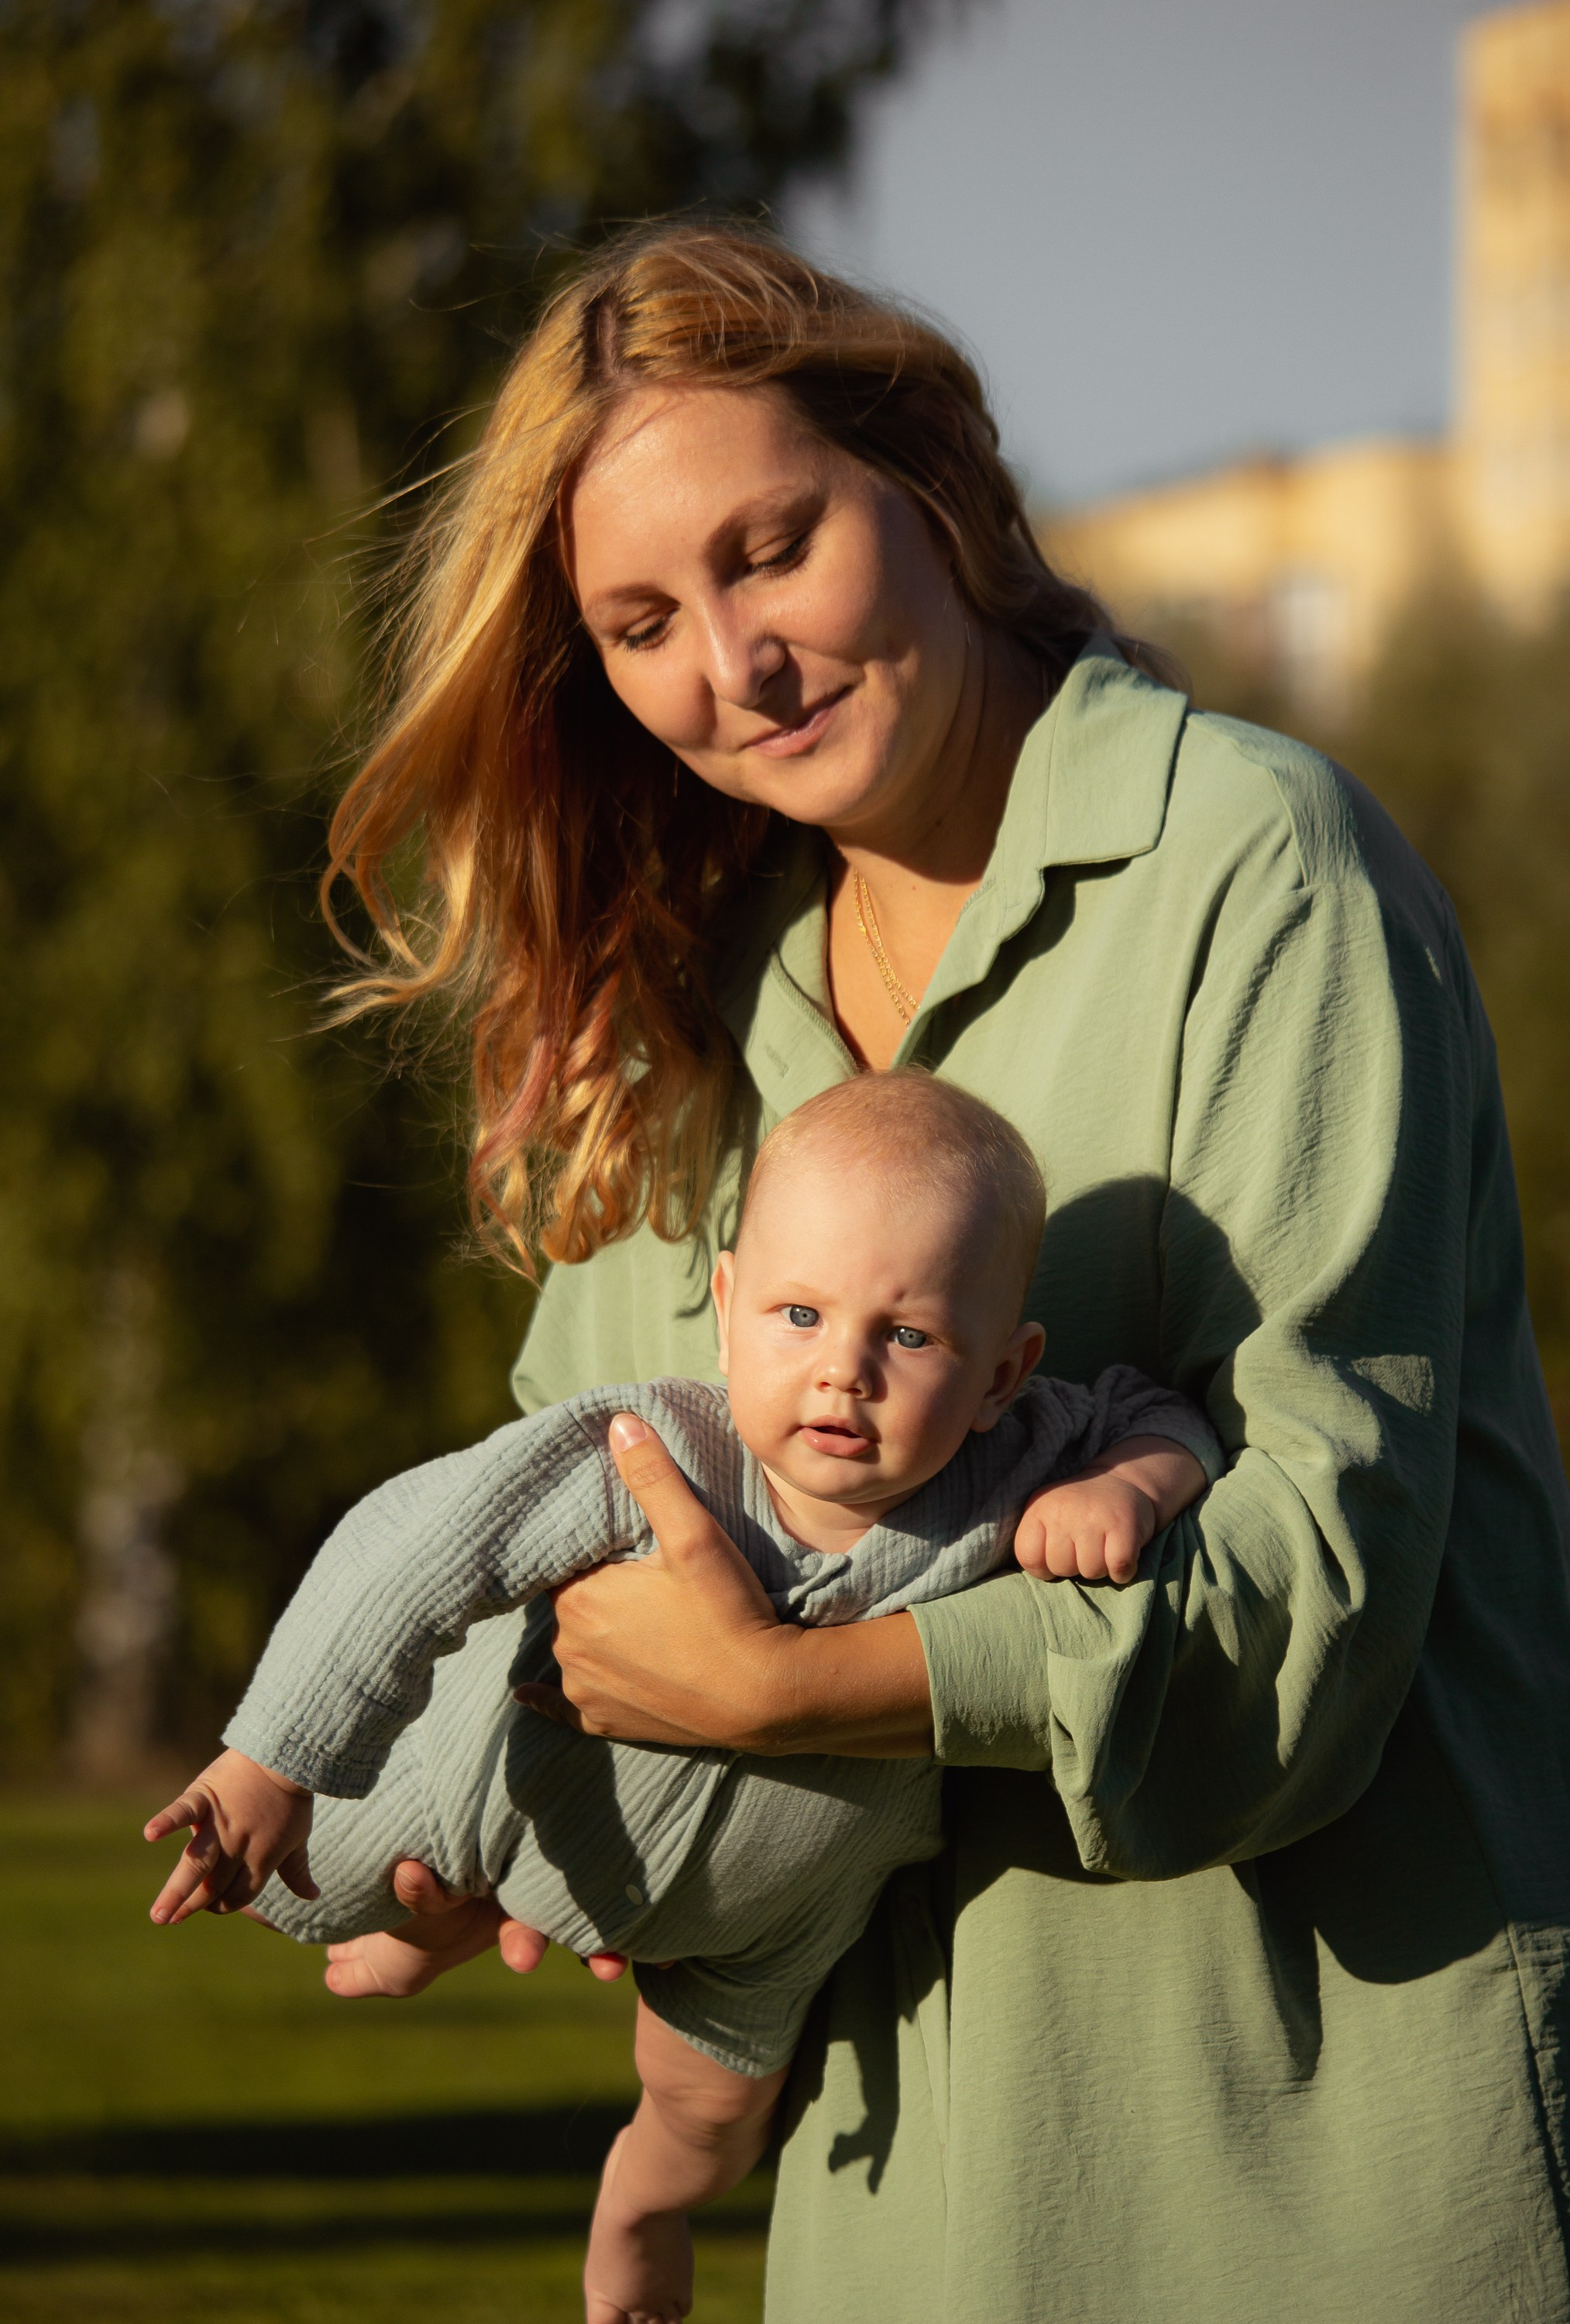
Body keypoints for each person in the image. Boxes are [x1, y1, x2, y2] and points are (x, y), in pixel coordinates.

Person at [301, 222, 1570, 2320]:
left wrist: (788, 1684)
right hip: (898, 2209)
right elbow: (581, 1496)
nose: (733, 662)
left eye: (769, 548)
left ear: (926, 481)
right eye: (637, 623)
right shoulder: (691, 1007)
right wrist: (484, 1792)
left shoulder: (1258, 871)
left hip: (1324, 2168)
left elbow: (1308, 1625)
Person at [143, 1074, 1220, 2324]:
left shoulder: (1016, 1460)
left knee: (708, 2120)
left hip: (766, 1924)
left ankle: (636, 2214)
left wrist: (1135, 1488)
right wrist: (272, 1758)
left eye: (909, 1336)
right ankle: (416, 1909)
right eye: (800, 1314)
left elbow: (1165, 1411)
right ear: (725, 1314)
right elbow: (423, 1549)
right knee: (299, 1886)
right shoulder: (653, 1451)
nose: (845, 1372)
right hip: (512, 1800)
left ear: (1001, 1375)